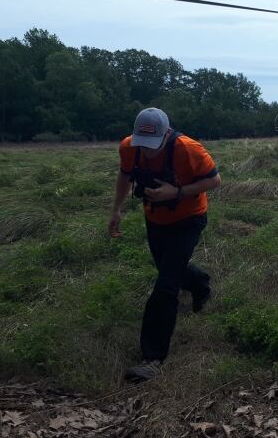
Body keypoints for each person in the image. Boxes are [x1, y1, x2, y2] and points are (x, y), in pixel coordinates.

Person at [108, 107, 221, 382]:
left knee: (166, 285)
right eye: (142, 145)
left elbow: (215, 180)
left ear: (166, 134)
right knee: (168, 268)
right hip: (155, 218)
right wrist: (116, 210)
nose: (146, 152)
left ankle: (152, 358)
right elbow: (125, 174)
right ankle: (200, 284)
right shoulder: (129, 147)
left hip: (189, 219)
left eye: (152, 146)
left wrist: (178, 191)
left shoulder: (188, 149)